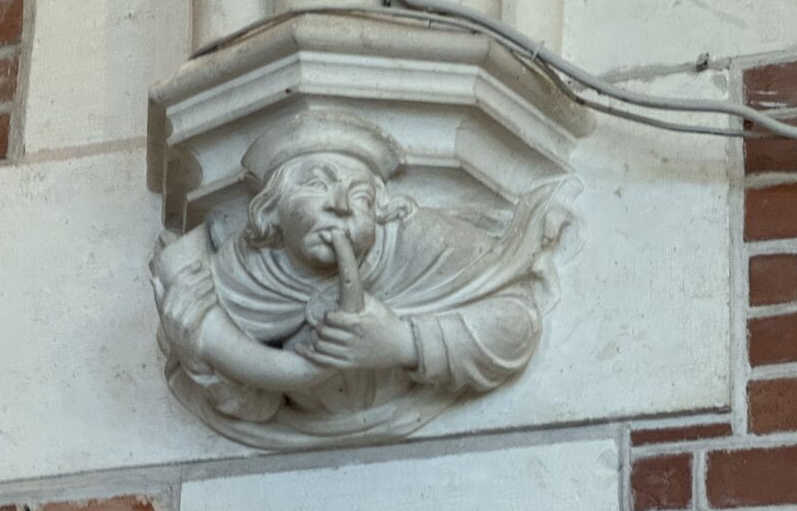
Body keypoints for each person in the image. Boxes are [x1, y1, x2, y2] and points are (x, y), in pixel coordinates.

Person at [152, 110, 564, 446]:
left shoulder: (416, 243)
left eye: (361, 196)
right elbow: (256, 406)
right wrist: (198, 353)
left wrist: (403, 342)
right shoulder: (241, 276)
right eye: (317, 185)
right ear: (270, 210)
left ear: (382, 210)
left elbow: (517, 324)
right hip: (299, 450)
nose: (341, 205)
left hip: (427, 420)